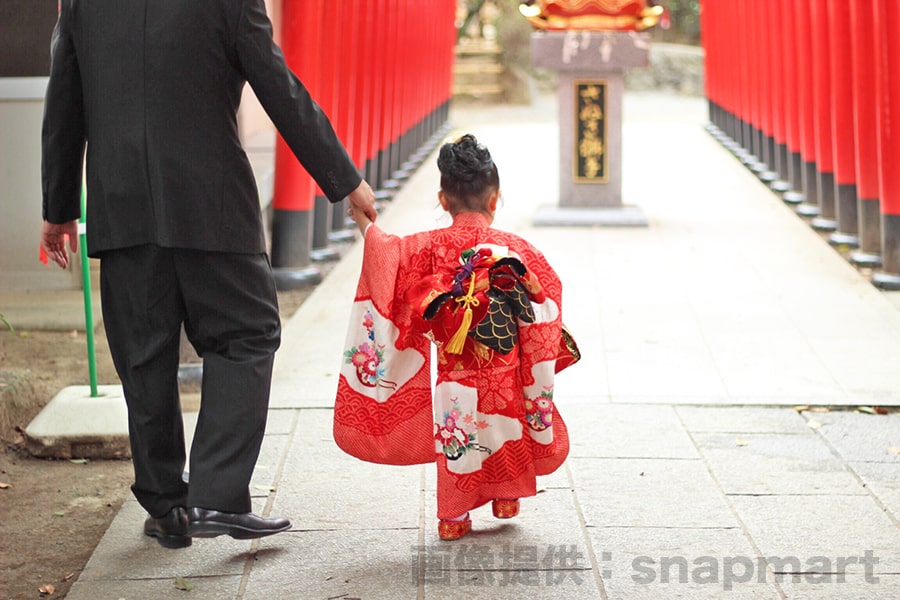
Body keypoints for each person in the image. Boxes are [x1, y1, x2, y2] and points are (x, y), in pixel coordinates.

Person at [40, 0, 377, 549]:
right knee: (248, 334)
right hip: (211, 204)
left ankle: (166, 505)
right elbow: (278, 86)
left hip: (121, 205)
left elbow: (64, 103)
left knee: (143, 355)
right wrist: (344, 180)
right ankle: (217, 495)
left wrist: (59, 209)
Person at [334, 134, 577, 540]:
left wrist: (364, 221)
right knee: (506, 428)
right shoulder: (516, 248)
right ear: (495, 199)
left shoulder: (427, 247)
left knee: (458, 434)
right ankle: (505, 497)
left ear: (443, 200)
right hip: (505, 371)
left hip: (455, 374)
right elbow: (547, 298)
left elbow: (387, 255)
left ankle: (453, 518)